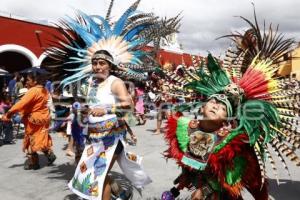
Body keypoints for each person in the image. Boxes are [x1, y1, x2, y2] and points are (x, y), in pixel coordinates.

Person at [161, 53, 300, 200]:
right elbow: (190, 165)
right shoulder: (185, 127)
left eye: (222, 107)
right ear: (202, 107)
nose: (216, 106)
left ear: (227, 119)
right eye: (213, 101)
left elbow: (231, 180)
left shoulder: (232, 144)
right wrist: (182, 183)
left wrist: (206, 190)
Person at [1, 72, 56, 170]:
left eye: (28, 80)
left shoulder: (33, 91)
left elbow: (21, 103)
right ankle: (48, 154)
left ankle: (35, 163)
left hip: (33, 120)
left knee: (31, 140)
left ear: (35, 81)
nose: (26, 82)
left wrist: (9, 113)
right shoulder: (44, 90)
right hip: (43, 119)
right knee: (40, 138)